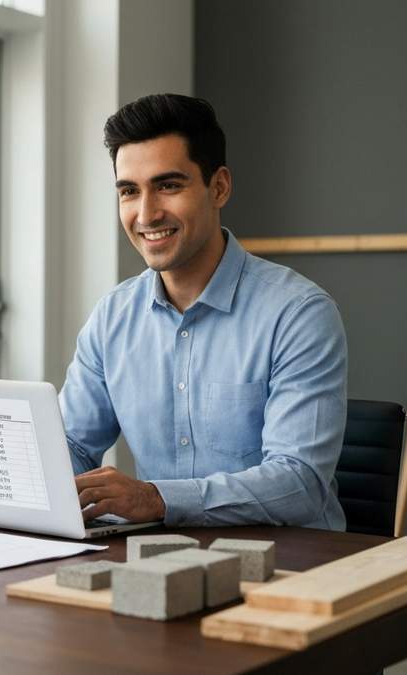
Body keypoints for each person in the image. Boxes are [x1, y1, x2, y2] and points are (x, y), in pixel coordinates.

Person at [60, 93, 347, 530]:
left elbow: (299, 483)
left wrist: (155, 498)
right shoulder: (112, 317)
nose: (146, 213)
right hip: (159, 560)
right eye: (129, 191)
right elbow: (72, 445)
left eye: (168, 185)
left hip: (291, 568)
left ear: (219, 187)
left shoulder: (298, 313)